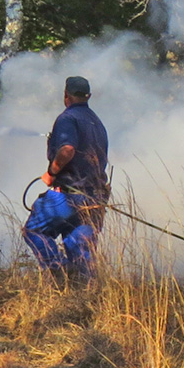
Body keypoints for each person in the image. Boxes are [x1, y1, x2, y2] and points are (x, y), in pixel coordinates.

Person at [23, 75, 109, 281]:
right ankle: (83, 297)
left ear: (66, 95)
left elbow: (67, 150)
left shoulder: (67, 119)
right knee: (80, 249)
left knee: (33, 231)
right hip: (94, 198)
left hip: (68, 195)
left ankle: (58, 271)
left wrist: (51, 173)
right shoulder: (97, 122)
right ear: (88, 96)